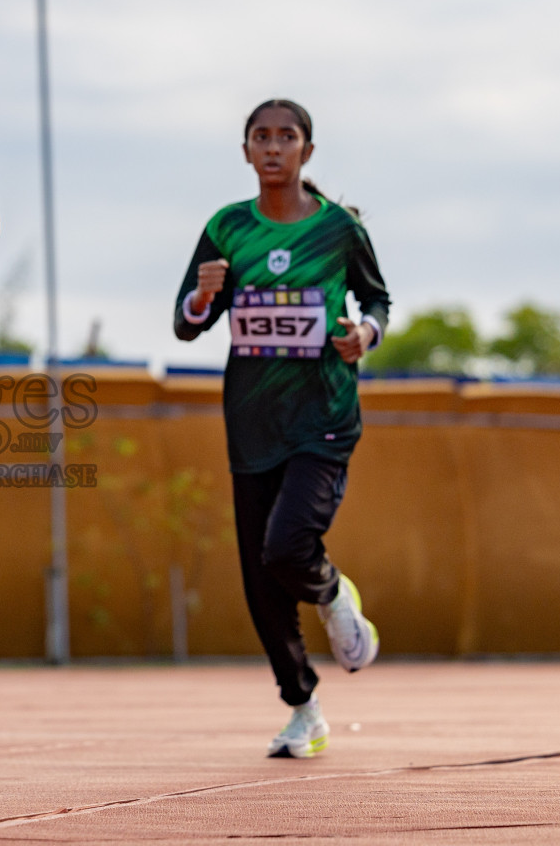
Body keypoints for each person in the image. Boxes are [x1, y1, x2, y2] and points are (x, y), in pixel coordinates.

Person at [172, 99, 390, 759]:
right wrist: (205, 296)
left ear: (307, 152)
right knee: (259, 580)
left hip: (323, 415)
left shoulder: (338, 229)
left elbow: (376, 298)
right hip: (251, 422)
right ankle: (303, 709)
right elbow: (185, 323)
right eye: (261, 138)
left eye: (286, 137)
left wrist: (366, 333)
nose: (273, 148)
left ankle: (331, 593)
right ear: (246, 152)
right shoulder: (228, 229)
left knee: (288, 547)